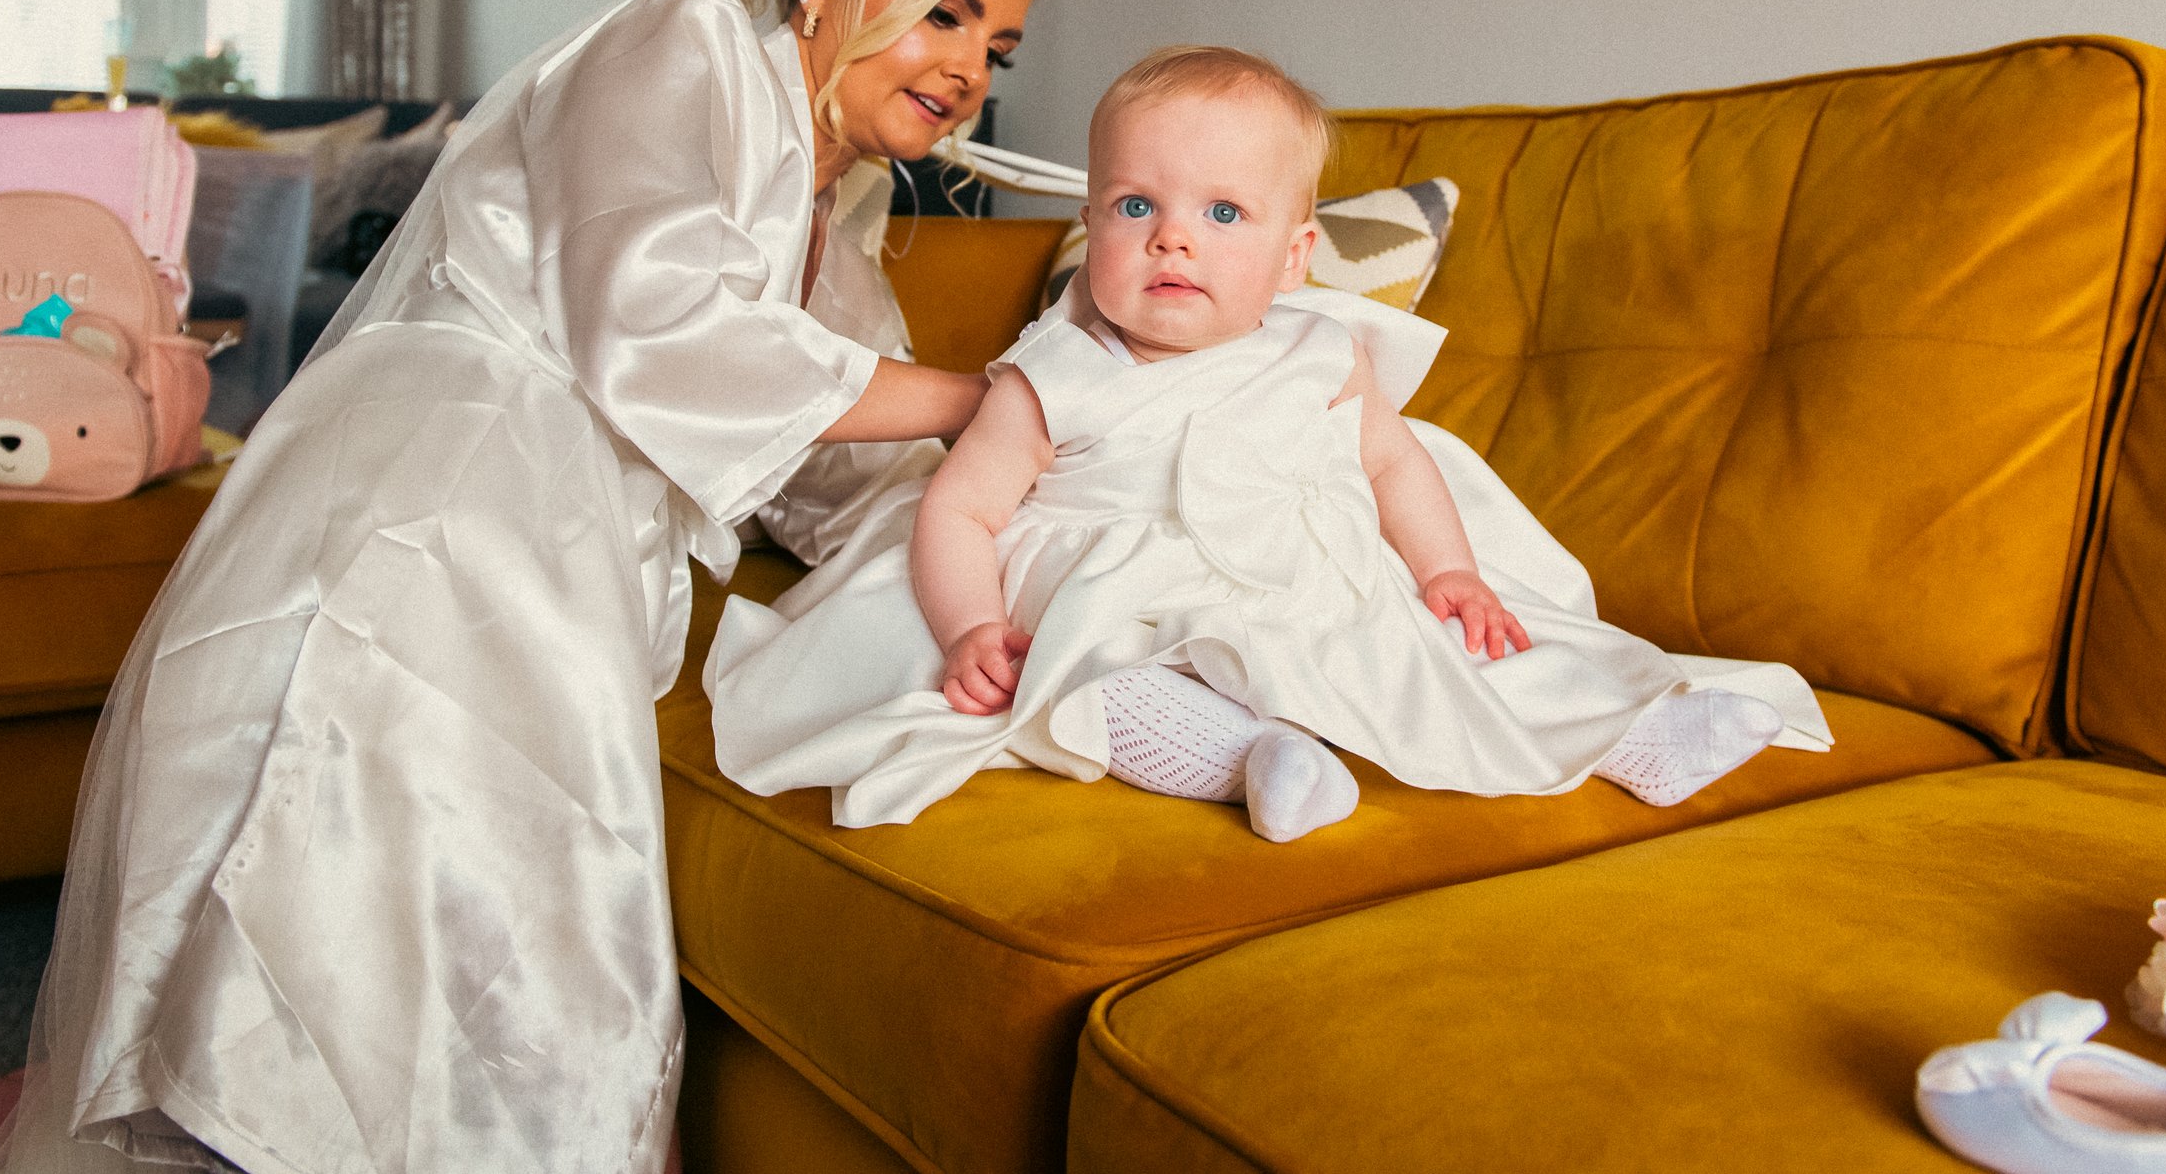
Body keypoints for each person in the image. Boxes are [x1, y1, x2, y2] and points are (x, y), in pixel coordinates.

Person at [0, 0, 1049, 1174]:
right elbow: (660, 323)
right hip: (447, 499)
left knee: (482, 957)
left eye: (996, 48)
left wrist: (1034, 515)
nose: (965, 69)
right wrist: (985, 397)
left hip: (556, 538)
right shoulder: (685, 45)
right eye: (945, 12)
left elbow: (833, 458)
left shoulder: (832, 216)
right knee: (390, 922)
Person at [706, 47, 1833, 842]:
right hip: (1122, 593)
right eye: (1135, 206)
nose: (1174, 239)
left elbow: (1392, 462)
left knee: (1449, 650)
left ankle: (1640, 734)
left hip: (1305, 579)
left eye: (1223, 214)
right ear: (1090, 224)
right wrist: (970, 627)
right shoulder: (1051, 373)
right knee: (1090, 683)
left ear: (1295, 257)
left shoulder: (1322, 350)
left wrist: (1449, 569)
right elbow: (961, 509)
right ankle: (1253, 762)